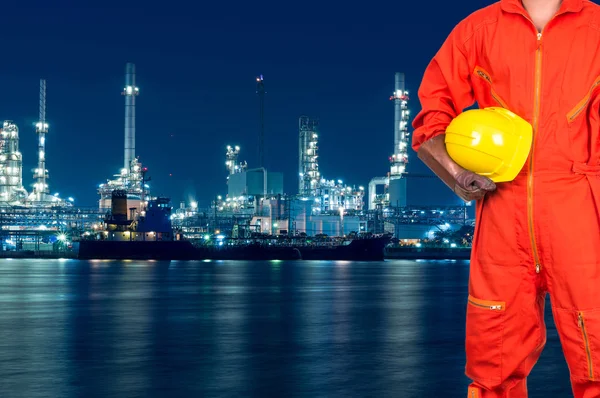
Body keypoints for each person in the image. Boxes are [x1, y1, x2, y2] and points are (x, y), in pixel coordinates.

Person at [412, 0, 600, 396]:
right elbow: (431, 116)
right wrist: (457, 173)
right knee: (493, 372)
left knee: (597, 362)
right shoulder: (477, 31)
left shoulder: (597, 27)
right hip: (500, 213)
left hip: (583, 215)